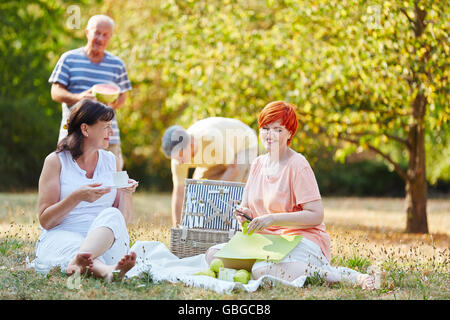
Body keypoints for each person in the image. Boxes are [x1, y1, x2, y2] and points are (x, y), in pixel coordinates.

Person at [205, 101, 376, 290]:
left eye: (278, 130)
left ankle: (345, 276)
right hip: (265, 241)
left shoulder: (298, 165)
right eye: (265, 128)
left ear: (290, 133)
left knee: (263, 271)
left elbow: (316, 215)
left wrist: (273, 219)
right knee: (212, 255)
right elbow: (247, 208)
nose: (270, 135)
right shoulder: (257, 164)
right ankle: (271, 267)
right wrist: (244, 215)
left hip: (300, 238)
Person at [33, 99, 138, 281]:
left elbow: (121, 221)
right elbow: (46, 221)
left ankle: (80, 262)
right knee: (75, 246)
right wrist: (77, 196)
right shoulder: (55, 161)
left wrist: (126, 193)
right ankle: (106, 271)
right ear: (85, 129)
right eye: (106, 126)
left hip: (105, 240)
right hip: (62, 236)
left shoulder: (112, 161)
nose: (111, 132)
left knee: (112, 214)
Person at [49, 14, 132, 171]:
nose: (100, 38)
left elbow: (122, 99)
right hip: (73, 135)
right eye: (97, 33)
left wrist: (112, 102)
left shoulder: (117, 65)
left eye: (105, 34)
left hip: (108, 137)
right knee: (69, 179)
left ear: (110, 37)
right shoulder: (68, 59)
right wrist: (79, 97)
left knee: (114, 183)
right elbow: (55, 92)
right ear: (87, 32)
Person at [161, 117, 259, 227]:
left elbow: (233, 168)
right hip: (219, 156)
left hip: (244, 143)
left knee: (231, 188)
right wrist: (177, 227)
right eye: (174, 158)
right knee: (197, 189)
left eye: (180, 155)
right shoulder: (178, 159)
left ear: (191, 144)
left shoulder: (210, 138)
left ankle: (229, 228)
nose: (179, 162)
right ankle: (202, 226)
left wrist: (213, 193)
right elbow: (179, 193)